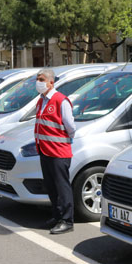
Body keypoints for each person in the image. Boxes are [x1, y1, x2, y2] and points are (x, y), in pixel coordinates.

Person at [34, 68, 76, 235]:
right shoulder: (41, 100)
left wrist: (65, 139)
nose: (38, 82)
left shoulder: (61, 100)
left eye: (42, 79)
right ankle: (57, 216)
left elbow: (71, 127)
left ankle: (67, 220)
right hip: (45, 150)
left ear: (51, 82)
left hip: (59, 151)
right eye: (37, 79)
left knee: (62, 187)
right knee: (51, 187)